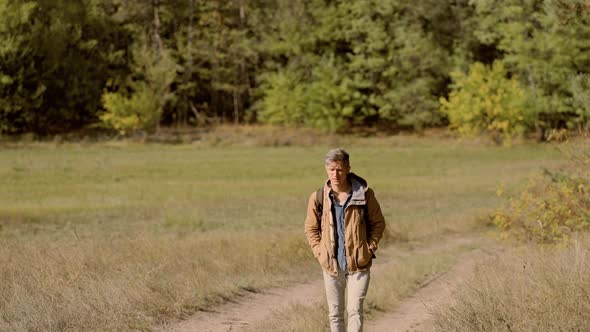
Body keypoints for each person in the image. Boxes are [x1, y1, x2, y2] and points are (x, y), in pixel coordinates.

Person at [304, 148, 386, 332]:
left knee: (355, 310)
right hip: (331, 266)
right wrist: (319, 252)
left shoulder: (364, 194)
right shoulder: (318, 198)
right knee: (335, 314)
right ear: (326, 169)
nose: (335, 174)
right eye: (331, 169)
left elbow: (378, 223)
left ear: (348, 168)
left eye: (340, 169)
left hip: (359, 265)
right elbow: (311, 228)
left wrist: (369, 248)